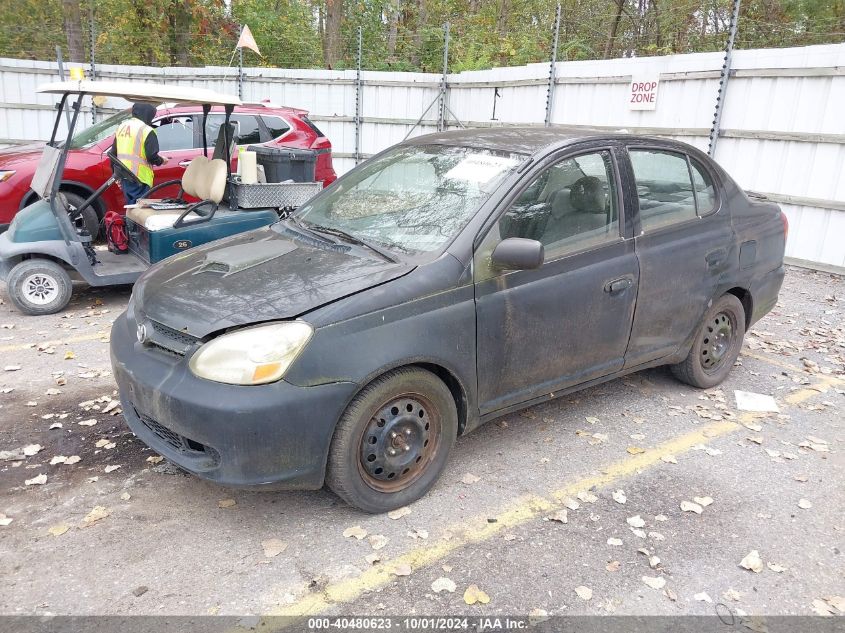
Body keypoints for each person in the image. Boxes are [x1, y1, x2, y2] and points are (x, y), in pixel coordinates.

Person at [112, 102, 168, 205]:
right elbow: (152, 156)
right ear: (147, 114)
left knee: (131, 209)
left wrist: (116, 176)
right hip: (139, 178)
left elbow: (113, 153)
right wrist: (162, 160)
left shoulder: (122, 127)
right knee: (139, 211)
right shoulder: (147, 130)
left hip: (124, 175)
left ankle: (130, 221)